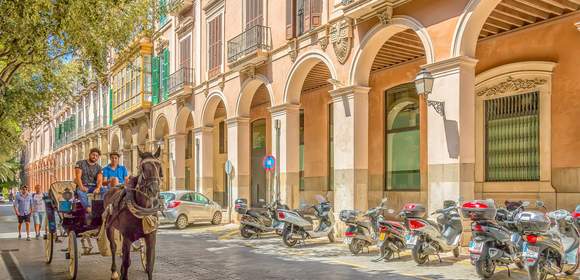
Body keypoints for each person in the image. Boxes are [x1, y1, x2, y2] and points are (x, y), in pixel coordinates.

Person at [74, 148, 103, 215]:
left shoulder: (99, 167)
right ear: (89, 154)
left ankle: (102, 207)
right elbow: (78, 177)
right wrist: (81, 187)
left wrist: (98, 188)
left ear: (98, 158)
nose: (94, 157)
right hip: (83, 185)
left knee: (105, 190)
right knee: (80, 192)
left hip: (93, 187)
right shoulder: (80, 163)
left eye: (96, 156)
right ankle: (88, 208)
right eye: (93, 155)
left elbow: (99, 180)